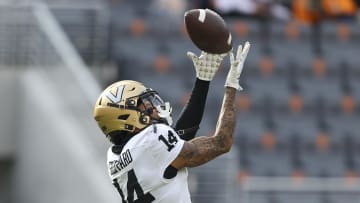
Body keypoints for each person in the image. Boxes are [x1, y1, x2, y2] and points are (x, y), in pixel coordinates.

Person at [93, 41, 250, 203]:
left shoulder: (114, 157)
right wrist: (231, 87)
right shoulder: (153, 140)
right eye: (146, 107)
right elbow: (222, 143)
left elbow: (178, 137)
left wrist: (203, 81)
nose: (154, 109)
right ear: (126, 118)